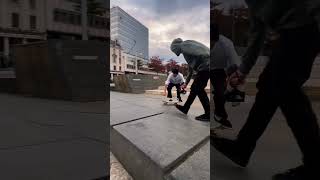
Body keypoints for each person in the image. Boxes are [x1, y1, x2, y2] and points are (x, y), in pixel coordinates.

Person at [211, 0, 320, 179]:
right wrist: (243, 70)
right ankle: (242, 147)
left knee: (286, 90)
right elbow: (257, 32)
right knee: (267, 90)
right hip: (286, 36)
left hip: (305, 29)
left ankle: (315, 164)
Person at [170, 38, 210, 121]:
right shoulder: (187, 51)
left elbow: (203, 53)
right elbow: (190, 71)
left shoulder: (184, 45)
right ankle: (185, 108)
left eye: (173, 50)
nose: (174, 52)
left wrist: (205, 63)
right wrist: (185, 84)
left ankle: (208, 114)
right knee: (194, 89)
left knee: (199, 89)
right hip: (205, 66)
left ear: (175, 46)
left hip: (206, 66)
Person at [211, 23, 240, 128]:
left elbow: (236, 66)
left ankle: (220, 115)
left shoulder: (226, 44)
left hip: (218, 68)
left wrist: (237, 91)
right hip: (205, 67)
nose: (211, 47)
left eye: (212, 44)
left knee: (220, 92)